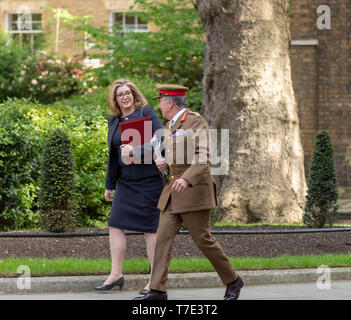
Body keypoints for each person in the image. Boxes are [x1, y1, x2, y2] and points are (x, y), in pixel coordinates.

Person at [134, 84, 244, 300]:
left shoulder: (196, 122)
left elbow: (203, 156)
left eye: (160, 101)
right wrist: (165, 163)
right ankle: (157, 290)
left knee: (203, 239)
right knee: (162, 239)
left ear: (170, 103)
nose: (159, 105)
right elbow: (178, 155)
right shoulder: (170, 125)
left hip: (194, 191)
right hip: (173, 192)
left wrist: (185, 177)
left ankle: (233, 280)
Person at [95, 79, 165, 293]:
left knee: (150, 230)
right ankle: (116, 274)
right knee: (115, 224)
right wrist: (110, 184)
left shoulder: (147, 113)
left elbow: (162, 139)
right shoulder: (113, 120)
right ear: (114, 99)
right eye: (120, 95)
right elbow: (113, 156)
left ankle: (155, 279)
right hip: (125, 182)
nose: (124, 97)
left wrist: (137, 151)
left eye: (127, 93)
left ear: (134, 94)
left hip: (150, 181)